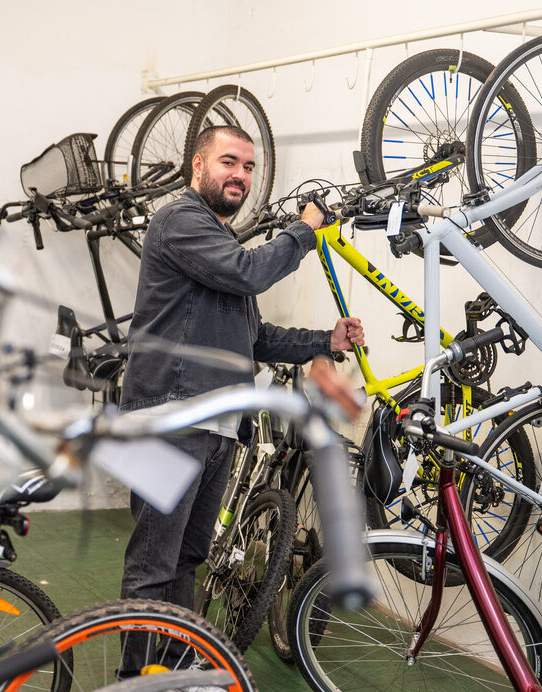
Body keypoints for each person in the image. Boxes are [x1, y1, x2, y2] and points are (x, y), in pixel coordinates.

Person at [117, 125, 364, 673]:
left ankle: (175, 676)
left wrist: (325, 341)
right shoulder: (179, 220)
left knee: (187, 560)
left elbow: (253, 337)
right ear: (197, 166)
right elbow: (248, 274)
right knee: (153, 568)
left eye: (249, 167)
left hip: (216, 424)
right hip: (169, 417)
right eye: (229, 162)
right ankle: (132, 683)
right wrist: (305, 230)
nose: (241, 175)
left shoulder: (219, 240)